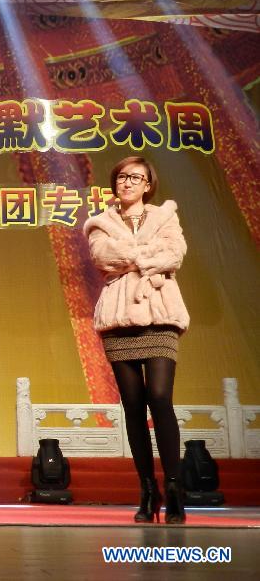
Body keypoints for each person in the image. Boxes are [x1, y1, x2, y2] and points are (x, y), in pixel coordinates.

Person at [83, 156, 189, 524]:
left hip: (160, 314)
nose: (126, 182)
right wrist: (147, 256)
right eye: (122, 176)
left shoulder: (165, 216)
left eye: (135, 178)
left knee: (159, 397)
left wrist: (137, 258)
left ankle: (174, 486)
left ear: (147, 185)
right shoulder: (100, 222)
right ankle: (148, 489)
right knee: (132, 405)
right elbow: (103, 257)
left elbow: (174, 253)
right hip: (118, 318)